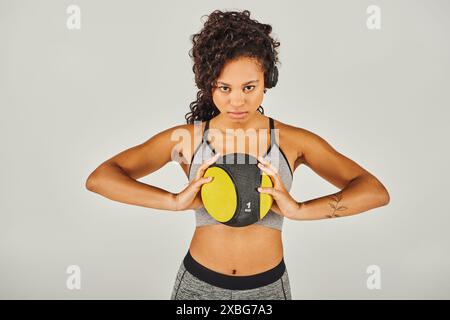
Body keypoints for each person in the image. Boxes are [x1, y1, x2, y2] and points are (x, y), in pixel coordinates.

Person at [85, 9, 390, 300]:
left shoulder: (293, 140)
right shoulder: (188, 140)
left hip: (267, 288)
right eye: (224, 88)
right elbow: (101, 178)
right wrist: (174, 202)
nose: (237, 101)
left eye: (248, 87)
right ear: (209, 85)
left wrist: (299, 210)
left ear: (267, 81)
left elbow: (374, 191)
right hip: (198, 285)